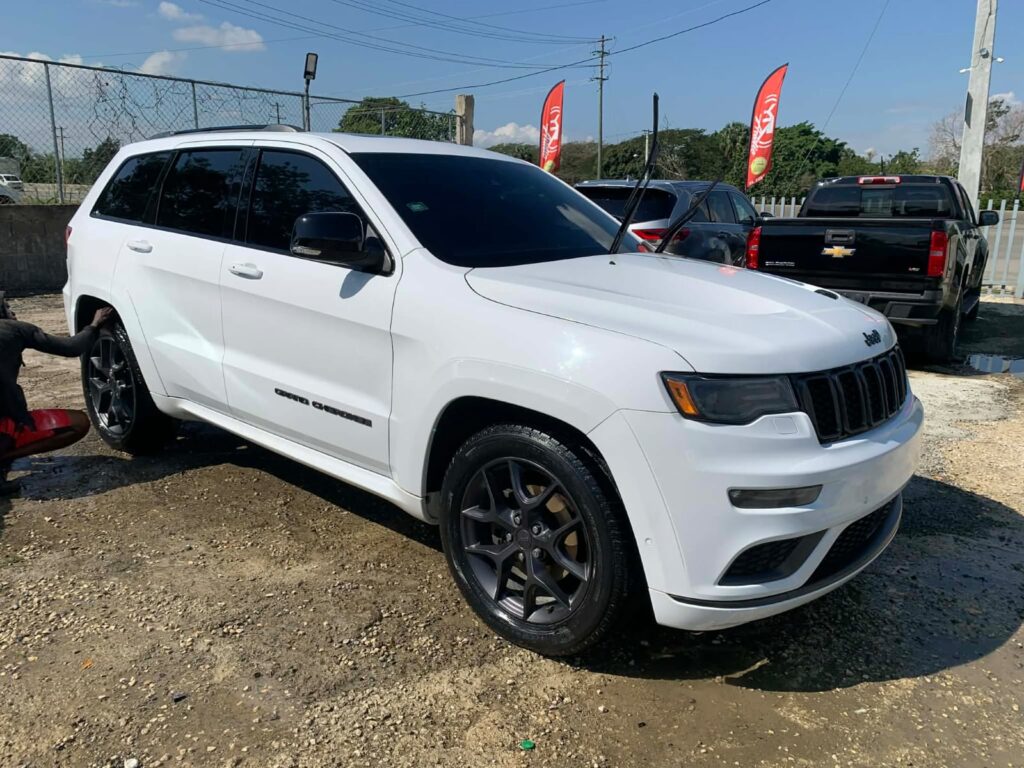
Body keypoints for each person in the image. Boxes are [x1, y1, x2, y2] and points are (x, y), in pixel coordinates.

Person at [0, 292, 113, 493]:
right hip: (4, 426)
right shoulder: (14, 330)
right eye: (7, 307)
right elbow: (71, 347)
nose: (13, 311)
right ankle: (3, 457)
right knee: (78, 423)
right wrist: (94, 324)